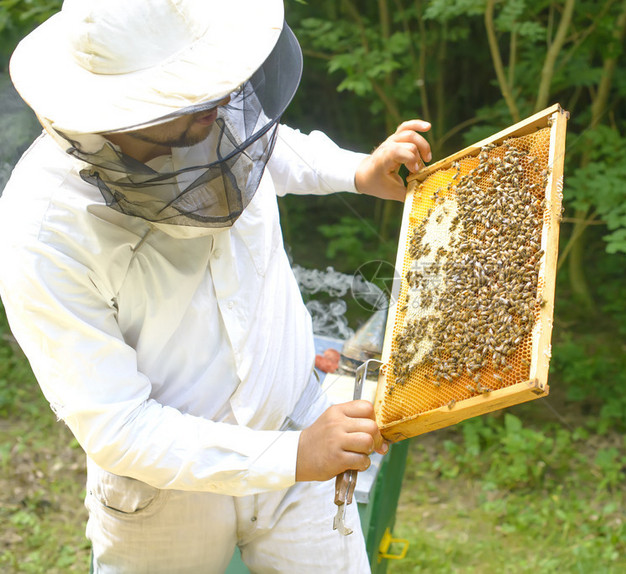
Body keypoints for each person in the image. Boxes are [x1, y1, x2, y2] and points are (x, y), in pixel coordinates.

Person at [0, 0, 431, 572]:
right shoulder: (42, 230)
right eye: (190, 99)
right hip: (167, 496)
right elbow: (117, 426)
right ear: (118, 112)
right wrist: (293, 456)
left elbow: (267, 146)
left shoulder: (209, 107)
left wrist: (356, 170)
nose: (223, 105)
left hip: (297, 418)